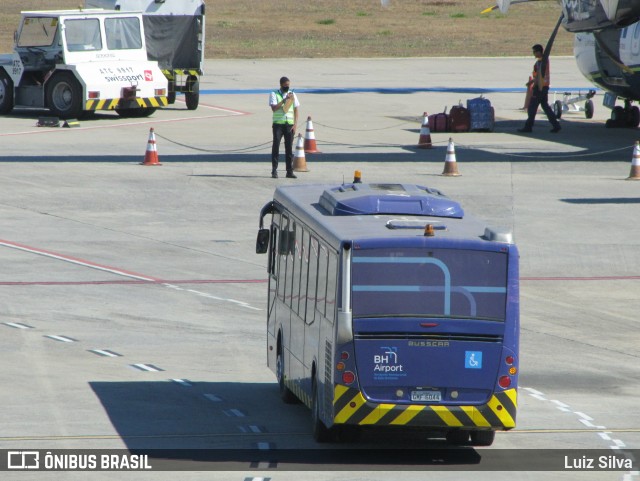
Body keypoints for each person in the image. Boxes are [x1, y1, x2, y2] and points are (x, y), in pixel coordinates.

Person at [518, 44, 561, 133]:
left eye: (534, 52)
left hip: (540, 88)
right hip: (544, 87)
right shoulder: (541, 62)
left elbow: (540, 76)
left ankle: (528, 126)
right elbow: (538, 75)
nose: (533, 54)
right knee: (545, 106)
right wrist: (531, 82)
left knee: (532, 107)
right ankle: (556, 125)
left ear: (538, 52)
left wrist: (535, 85)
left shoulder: (542, 62)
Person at [269, 76, 300, 178]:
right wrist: (283, 100)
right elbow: (274, 108)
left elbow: (296, 110)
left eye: (288, 85)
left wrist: (295, 124)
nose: (287, 87)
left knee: (289, 148)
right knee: (276, 146)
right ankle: (274, 170)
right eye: (286, 85)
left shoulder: (292, 94)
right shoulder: (274, 94)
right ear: (281, 84)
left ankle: (289, 171)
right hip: (278, 124)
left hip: (289, 125)